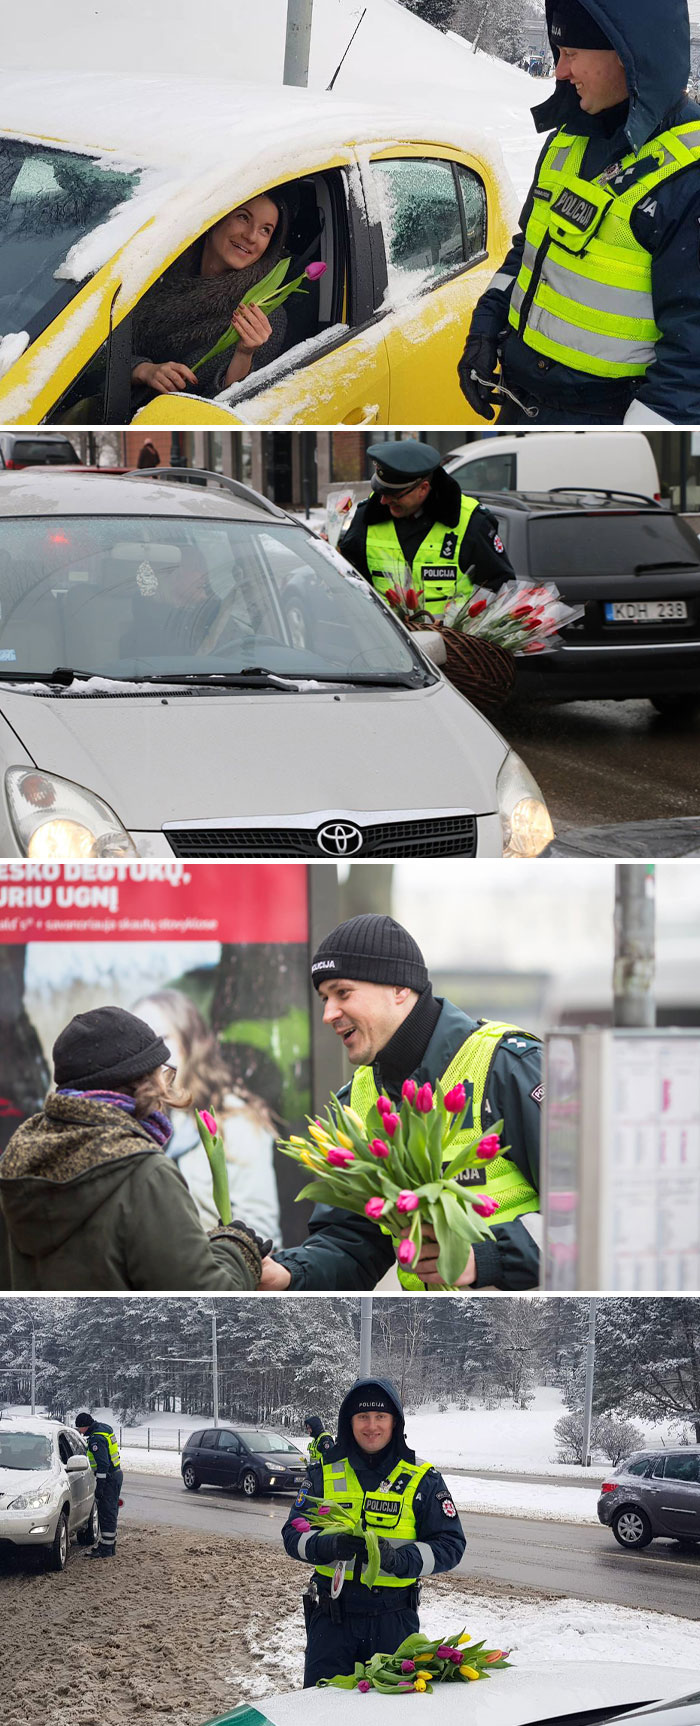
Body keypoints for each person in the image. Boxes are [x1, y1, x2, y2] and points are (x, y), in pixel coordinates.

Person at [261, 915, 541, 1294]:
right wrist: (289, 1274)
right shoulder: (354, 1104)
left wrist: (489, 1258)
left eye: (343, 993)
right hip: (427, 1335)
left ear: (399, 988)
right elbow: (352, 1244)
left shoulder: (508, 1067)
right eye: (325, 998)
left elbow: (590, 1217)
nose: (328, 1014)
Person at [458, 0, 700, 426]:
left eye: (571, 55)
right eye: (559, 54)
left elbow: (692, 350)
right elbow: (529, 249)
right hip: (523, 399)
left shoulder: (688, 176)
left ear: (630, 56)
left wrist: (642, 436)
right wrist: (486, 325)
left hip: (605, 415)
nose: (559, 72)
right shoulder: (571, 139)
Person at [0, 1007, 266, 1292]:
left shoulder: (16, 1165)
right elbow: (205, 1306)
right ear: (145, 1082)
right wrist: (236, 1249)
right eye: (163, 1075)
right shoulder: (144, 1173)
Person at [282, 1377, 466, 1687]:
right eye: (362, 1417)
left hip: (393, 1621)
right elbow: (292, 1535)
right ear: (349, 1422)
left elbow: (451, 1544)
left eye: (381, 1416)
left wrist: (401, 1559)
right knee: (323, 1715)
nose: (372, 1426)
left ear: (395, 1422)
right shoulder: (324, 1473)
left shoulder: (422, 1478)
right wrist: (327, 1545)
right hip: (331, 1620)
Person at [134, 990, 280, 1244]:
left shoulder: (234, 1120)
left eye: (162, 1037)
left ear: (189, 1044)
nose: (149, 1052)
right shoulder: (126, 1122)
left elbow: (260, 1228)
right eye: (139, 1042)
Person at [131, 189, 292, 403]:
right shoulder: (158, 268)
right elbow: (101, 349)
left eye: (265, 230)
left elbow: (227, 409)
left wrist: (244, 354)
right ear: (216, 216)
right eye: (243, 217)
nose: (251, 236)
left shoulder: (264, 314)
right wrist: (142, 369)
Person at [338, 440, 514, 614]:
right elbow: (350, 580)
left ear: (423, 489)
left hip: (452, 641)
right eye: (381, 491)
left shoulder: (472, 522)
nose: (383, 501)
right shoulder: (367, 516)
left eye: (394, 495)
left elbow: (499, 587)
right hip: (387, 640)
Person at [74, 1412, 123, 1559]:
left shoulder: (96, 1439)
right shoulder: (105, 1429)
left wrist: (100, 1486)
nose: (80, 1431)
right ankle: (109, 1545)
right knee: (111, 1511)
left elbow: (102, 1465)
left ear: (85, 1426)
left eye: (80, 1428)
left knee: (106, 1512)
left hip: (108, 1478)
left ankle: (106, 1549)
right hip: (115, 1474)